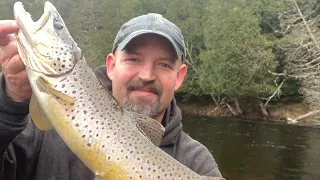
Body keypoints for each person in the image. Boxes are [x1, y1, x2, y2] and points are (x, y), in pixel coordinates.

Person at [0, 13, 222, 179]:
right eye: (133, 59)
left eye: (163, 64)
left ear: (179, 76)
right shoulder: (41, 128)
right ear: (111, 66)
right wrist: (9, 102)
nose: (146, 75)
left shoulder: (197, 163)